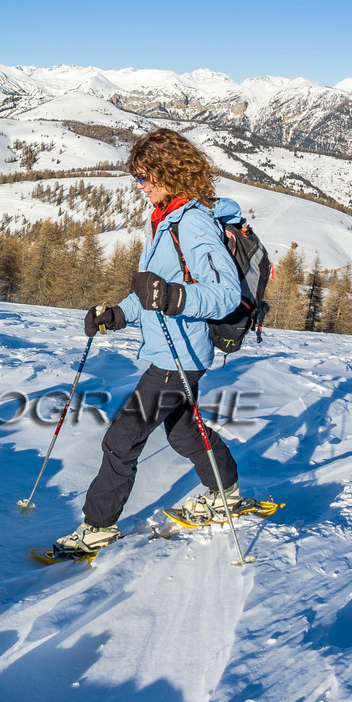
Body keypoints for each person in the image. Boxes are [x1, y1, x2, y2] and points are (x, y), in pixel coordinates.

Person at [54, 128, 248, 556]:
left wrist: (174, 297)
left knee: (121, 439)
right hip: (173, 350)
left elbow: (225, 295)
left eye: (144, 177)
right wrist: (117, 314)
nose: (140, 186)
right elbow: (152, 293)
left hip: (179, 355)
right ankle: (227, 492)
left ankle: (98, 526)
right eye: (137, 178)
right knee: (184, 433)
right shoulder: (165, 220)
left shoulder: (193, 223)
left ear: (170, 171)